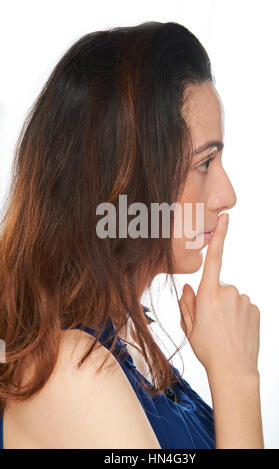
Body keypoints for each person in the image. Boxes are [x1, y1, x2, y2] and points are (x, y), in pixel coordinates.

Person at [0, 21, 264, 449]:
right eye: (204, 163)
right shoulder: (71, 371)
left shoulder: (129, 349)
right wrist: (237, 380)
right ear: (123, 183)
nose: (226, 195)